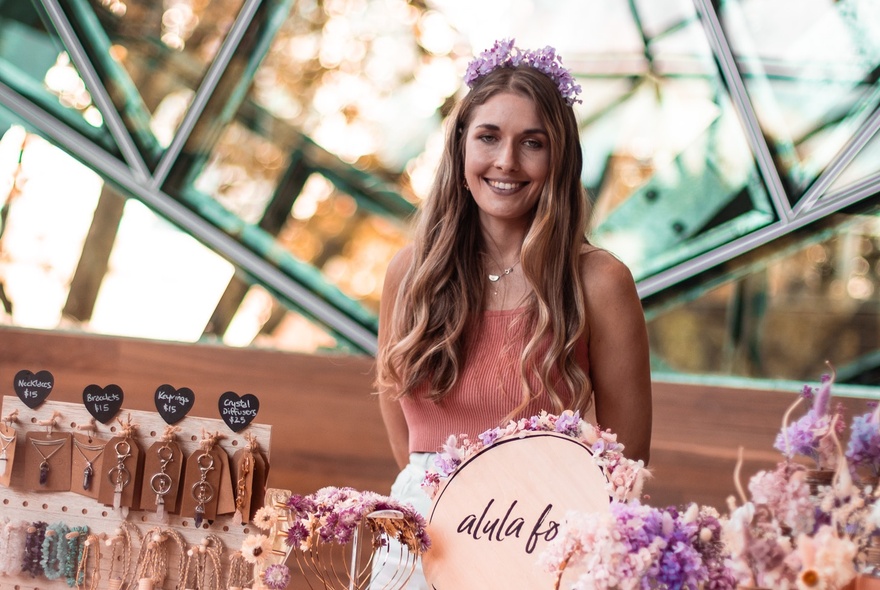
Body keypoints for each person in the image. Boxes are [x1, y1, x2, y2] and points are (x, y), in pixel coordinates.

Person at [371, 39, 652, 588]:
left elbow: (627, 457)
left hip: (541, 543)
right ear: (459, 146)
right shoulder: (411, 272)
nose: (506, 162)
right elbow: (403, 430)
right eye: (488, 137)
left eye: (532, 143)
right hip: (423, 539)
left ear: (560, 157)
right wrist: (443, 497)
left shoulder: (600, 281)